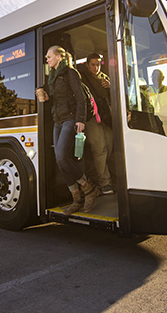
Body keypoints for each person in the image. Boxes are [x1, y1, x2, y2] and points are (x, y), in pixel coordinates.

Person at [36, 45, 99, 215]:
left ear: (59, 56)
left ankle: (89, 188)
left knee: (63, 157)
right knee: (59, 160)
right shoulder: (53, 77)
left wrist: (80, 120)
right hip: (58, 121)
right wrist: (46, 97)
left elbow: (80, 98)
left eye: (49, 56)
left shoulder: (71, 73)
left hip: (70, 119)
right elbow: (57, 100)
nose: (47, 59)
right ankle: (76, 198)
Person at [77, 53, 114, 195]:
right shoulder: (82, 78)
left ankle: (93, 174)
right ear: (87, 65)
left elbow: (115, 97)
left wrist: (111, 87)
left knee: (109, 146)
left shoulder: (105, 78)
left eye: (98, 64)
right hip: (90, 117)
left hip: (105, 117)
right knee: (100, 147)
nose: (96, 67)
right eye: (93, 64)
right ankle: (105, 183)